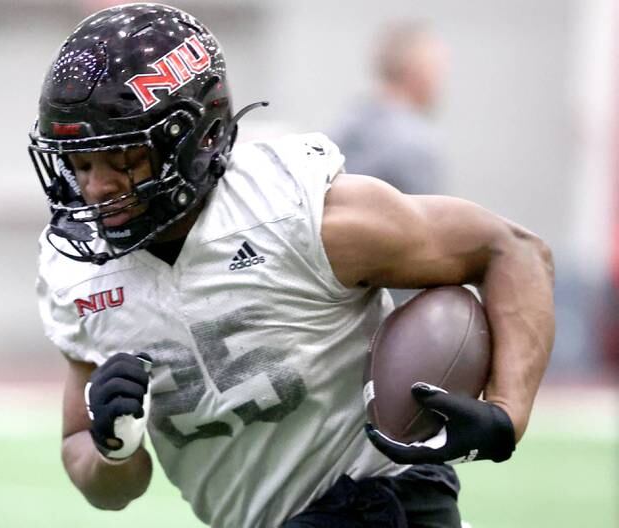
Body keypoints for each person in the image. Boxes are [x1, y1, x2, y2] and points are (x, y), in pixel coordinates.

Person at [29, 4, 555, 527]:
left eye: (124, 160)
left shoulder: (294, 212)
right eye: (81, 163)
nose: (97, 187)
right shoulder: (78, 272)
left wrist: (508, 410)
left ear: (194, 139)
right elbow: (102, 478)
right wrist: (113, 449)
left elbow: (511, 249)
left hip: (374, 499)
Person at [333, 21, 448, 196]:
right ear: (416, 71)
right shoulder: (415, 144)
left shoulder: (348, 122)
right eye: (437, 70)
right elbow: (425, 219)